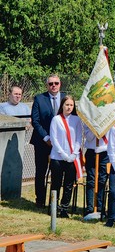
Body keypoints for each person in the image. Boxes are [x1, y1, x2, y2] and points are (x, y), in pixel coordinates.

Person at [31, 74, 65, 208]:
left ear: (60, 84)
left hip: (60, 144)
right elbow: (36, 121)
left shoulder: (65, 99)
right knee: (41, 172)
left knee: (57, 173)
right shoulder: (39, 99)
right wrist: (46, 138)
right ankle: (40, 200)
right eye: (51, 83)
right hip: (42, 142)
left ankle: (54, 202)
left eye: (56, 83)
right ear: (47, 85)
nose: (54, 86)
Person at [49, 95, 83, 218]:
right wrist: (63, 154)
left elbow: (79, 137)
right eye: (67, 104)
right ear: (62, 105)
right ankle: (53, 207)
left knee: (68, 184)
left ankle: (64, 208)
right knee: (56, 183)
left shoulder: (77, 120)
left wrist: (74, 154)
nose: (69, 107)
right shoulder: (56, 119)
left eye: (71, 105)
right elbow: (54, 138)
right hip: (57, 157)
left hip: (72, 157)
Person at [83, 126, 109, 220]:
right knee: (91, 180)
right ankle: (90, 208)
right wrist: (95, 126)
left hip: (105, 151)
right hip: (91, 150)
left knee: (102, 180)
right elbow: (89, 137)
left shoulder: (109, 116)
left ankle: (100, 208)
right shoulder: (89, 118)